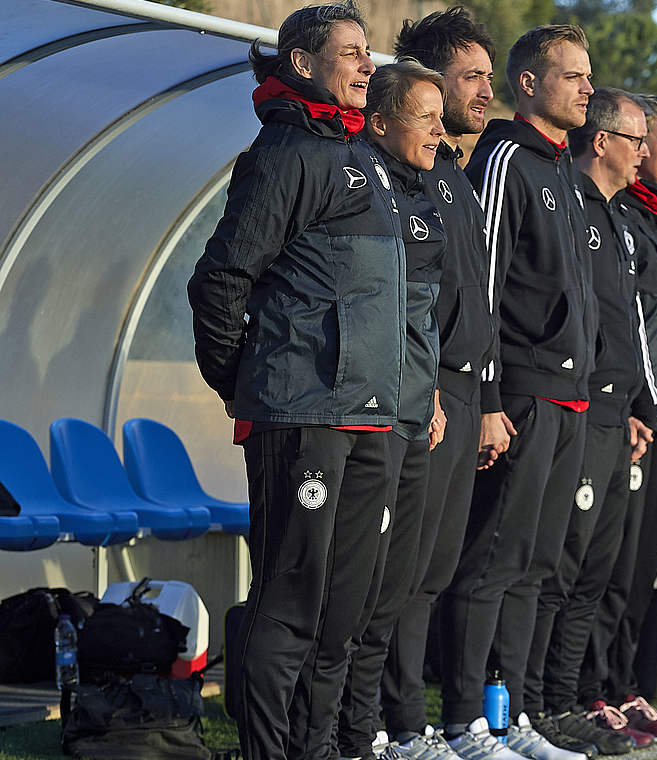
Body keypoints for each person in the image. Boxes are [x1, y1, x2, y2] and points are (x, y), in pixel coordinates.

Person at [186, 3, 404, 758]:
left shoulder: (364, 156)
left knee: (344, 609)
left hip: (370, 416)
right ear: (303, 64)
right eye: (350, 52)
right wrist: (241, 383)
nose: (366, 65)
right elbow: (219, 281)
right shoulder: (282, 152)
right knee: (291, 601)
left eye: (366, 51)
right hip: (302, 414)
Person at [443, 23, 599, 757]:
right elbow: (486, 284)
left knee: (537, 563)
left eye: (589, 76)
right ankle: (466, 719)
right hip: (523, 395)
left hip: (570, 396)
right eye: (573, 76)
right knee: (494, 561)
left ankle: (517, 717)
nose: (587, 88)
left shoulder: (565, 168)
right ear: (530, 84)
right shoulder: (505, 157)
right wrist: (491, 400)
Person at [379, 10, 503, 759]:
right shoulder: (404, 179)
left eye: (489, 77)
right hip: (418, 396)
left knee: (433, 570)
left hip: (460, 396)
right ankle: (393, 727)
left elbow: (471, 303)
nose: (484, 92)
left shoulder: (452, 177)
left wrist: (484, 401)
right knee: (402, 570)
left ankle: (418, 725)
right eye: (471, 78)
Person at [531, 87, 657, 756]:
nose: (646, 152)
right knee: (559, 565)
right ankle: (534, 704)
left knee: (594, 572)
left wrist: (639, 402)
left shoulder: (620, 218)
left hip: (615, 418)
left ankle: (564, 699)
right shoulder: (567, 204)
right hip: (572, 410)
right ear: (602, 142)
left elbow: (623, 321)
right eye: (636, 139)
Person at [333, 59, 453, 760]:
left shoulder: (422, 198)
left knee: (394, 589)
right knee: (354, 587)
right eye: (425, 117)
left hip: (413, 414)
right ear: (380, 122)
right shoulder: (351, 184)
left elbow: (420, 317)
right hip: (364, 416)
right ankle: (338, 735)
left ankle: (365, 729)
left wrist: (431, 388)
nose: (440, 132)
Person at [585, 93, 657, 742]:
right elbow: (623, 327)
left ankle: (624, 687)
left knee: (642, 563)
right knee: (614, 567)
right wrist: (637, 403)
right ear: (636, 143)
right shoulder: (617, 217)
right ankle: (593, 690)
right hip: (631, 420)